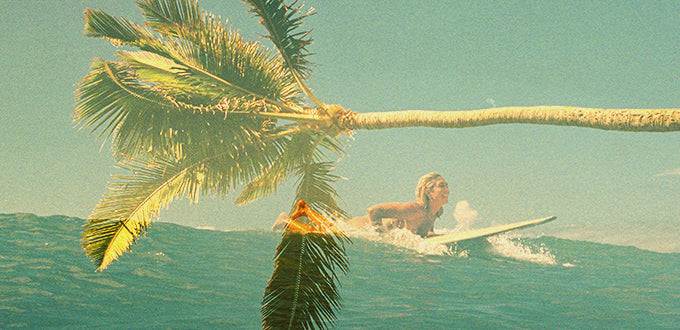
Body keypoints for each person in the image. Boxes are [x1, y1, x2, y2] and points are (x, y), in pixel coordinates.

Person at [348, 172, 450, 237]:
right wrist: (381, 238)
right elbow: (373, 211)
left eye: (447, 185)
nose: (447, 190)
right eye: (441, 186)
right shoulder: (415, 210)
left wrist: (436, 236)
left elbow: (424, 231)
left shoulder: (436, 211)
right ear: (428, 192)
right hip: (358, 226)